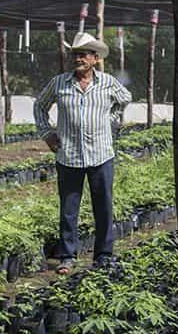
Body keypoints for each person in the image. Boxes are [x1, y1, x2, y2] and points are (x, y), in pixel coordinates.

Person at [34, 32, 132, 274]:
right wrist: (47, 134)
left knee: (104, 207)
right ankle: (68, 256)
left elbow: (125, 99)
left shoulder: (107, 82)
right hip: (69, 155)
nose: (77, 59)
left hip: (101, 154)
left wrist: (110, 120)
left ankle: (104, 255)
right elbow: (40, 106)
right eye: (75, 54)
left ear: (95, 58)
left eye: (83, 55)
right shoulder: (59, 83)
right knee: (69, 209)